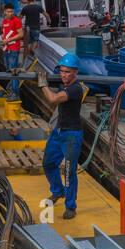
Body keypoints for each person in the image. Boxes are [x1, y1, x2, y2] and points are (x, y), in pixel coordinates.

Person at [42, 52, 87, 220]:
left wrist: (42, 84)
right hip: (59, 131)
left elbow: (53, 99)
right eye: (61, 71)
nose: (63, 75)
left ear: (75, 72)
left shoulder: (76, 88)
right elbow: (50, 78)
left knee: (69, 172)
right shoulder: (63, 82)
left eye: (67, 72)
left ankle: (70, 206)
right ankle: (58, 191)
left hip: (72, 135)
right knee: (48, 164)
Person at [0, 4, 24, 99]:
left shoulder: (16, 21)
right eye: (8, 12)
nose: (10, 13)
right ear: (4, 12)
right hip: (6, 48)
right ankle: (12, 91)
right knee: (8, 69)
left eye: (12, 11)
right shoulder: (4, 21)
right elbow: (4, 34)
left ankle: (15, 93)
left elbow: (21, 34)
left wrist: (8, 40)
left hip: (13, 48)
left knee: (13, 70)